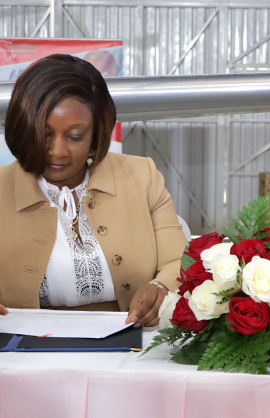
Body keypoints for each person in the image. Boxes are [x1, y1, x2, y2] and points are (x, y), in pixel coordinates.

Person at [0, 54, 187, 326]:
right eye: (44, 134)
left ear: (97, 134)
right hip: (21, 344)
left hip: (130, 340)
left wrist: (161, 286)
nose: (57, 151)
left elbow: (179, 261)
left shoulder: (142, 176)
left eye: (75, 136)